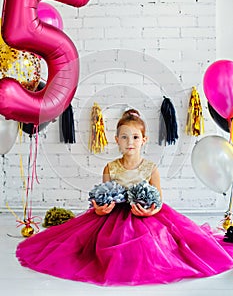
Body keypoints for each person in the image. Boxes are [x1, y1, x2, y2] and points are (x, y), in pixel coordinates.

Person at [16, 109, 233, 286]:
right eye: (124, 137)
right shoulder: (110, 167)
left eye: (136, 137)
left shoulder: (151, 168)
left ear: (144, 140)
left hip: (145, 215)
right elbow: (100, 198)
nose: (130, 142)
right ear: (116, 140)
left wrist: (150, 211)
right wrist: (99, 209)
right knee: (103, 244)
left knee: (155, 243)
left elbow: (157, 200)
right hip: (113, 215)